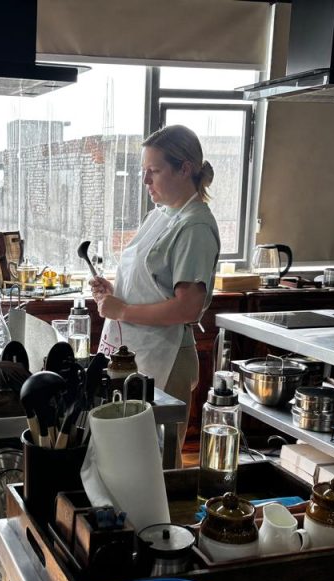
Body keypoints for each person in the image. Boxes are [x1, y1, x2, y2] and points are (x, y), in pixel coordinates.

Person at [90, 125, 220, 463]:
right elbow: (154, 286)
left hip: (167, 357)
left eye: (154, 171)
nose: (146, 180)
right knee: (127, 455)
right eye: (144, 171)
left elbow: (187, 308)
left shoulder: (194, 226)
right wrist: (116, 295)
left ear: (184, 169)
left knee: (156, 461)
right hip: (138, 352)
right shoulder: (162, 215)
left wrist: (122, 310)